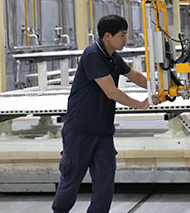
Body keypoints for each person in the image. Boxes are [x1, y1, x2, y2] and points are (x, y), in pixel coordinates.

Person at [52, 15, 160, 213]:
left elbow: (134, 76)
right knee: (71, 179)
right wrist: (139, 104)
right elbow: (111, 92)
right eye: (122, 35)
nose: (125, 39)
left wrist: (159, 88)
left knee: (105, 182)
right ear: (108, 36)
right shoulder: (93, 55)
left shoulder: (113, 57)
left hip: (103, 131)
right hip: (80, 130)